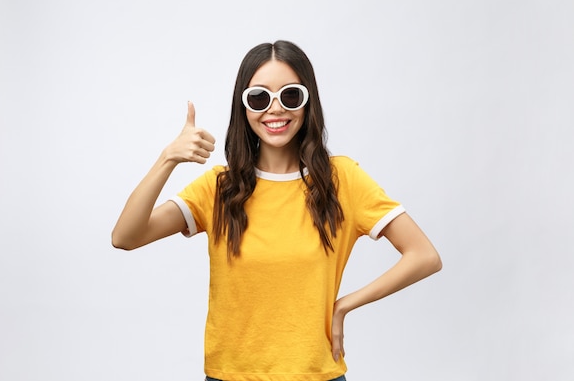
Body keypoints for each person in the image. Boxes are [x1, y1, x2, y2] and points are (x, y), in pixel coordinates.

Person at [112, 40, 442, 381]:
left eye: (290, 96)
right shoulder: (220, 188)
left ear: (307, 101)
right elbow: (125, 236)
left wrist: (344, 305)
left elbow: (424, 255)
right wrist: (168, 158)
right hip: (230, 376)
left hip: (316, 376)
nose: (275, 110)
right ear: (243, 107)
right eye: (258, 98)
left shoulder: (341, 180)